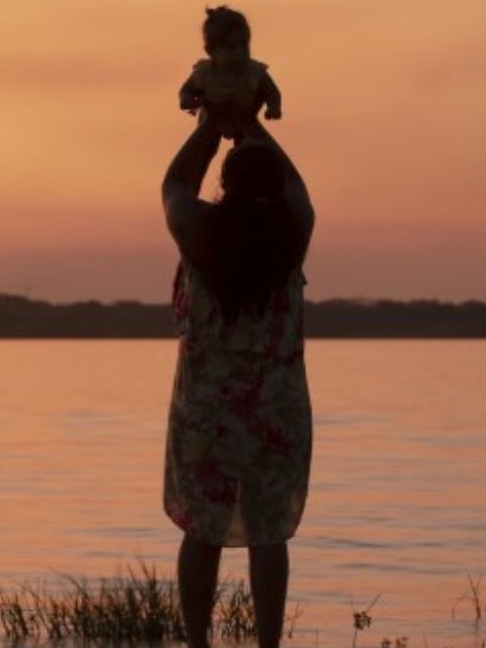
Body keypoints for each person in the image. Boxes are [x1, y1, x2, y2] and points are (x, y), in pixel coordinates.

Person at [161, 102, 314, 648]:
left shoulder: (200, 230)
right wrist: (249, 123)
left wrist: (209, 127)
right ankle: (268, 646)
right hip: (276, 412)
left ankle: (198, 643)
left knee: (201, 531)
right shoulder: (294, 230)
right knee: (268, 535)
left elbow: (176, 183)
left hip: (206, 413)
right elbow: (295, 184)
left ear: (224, 184)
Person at [178, 6, 283, 139]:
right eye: (231, 47)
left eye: (243, 45)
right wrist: (187, 100)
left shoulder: (254, 72)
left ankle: (247, 154)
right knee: (205, 141)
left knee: (251, 142)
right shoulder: (205, 74)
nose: (239, 53)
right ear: (211, 51)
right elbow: (186, 90)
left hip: (246, 117)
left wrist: (274, 108)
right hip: (212, 120)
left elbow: (272, 92)